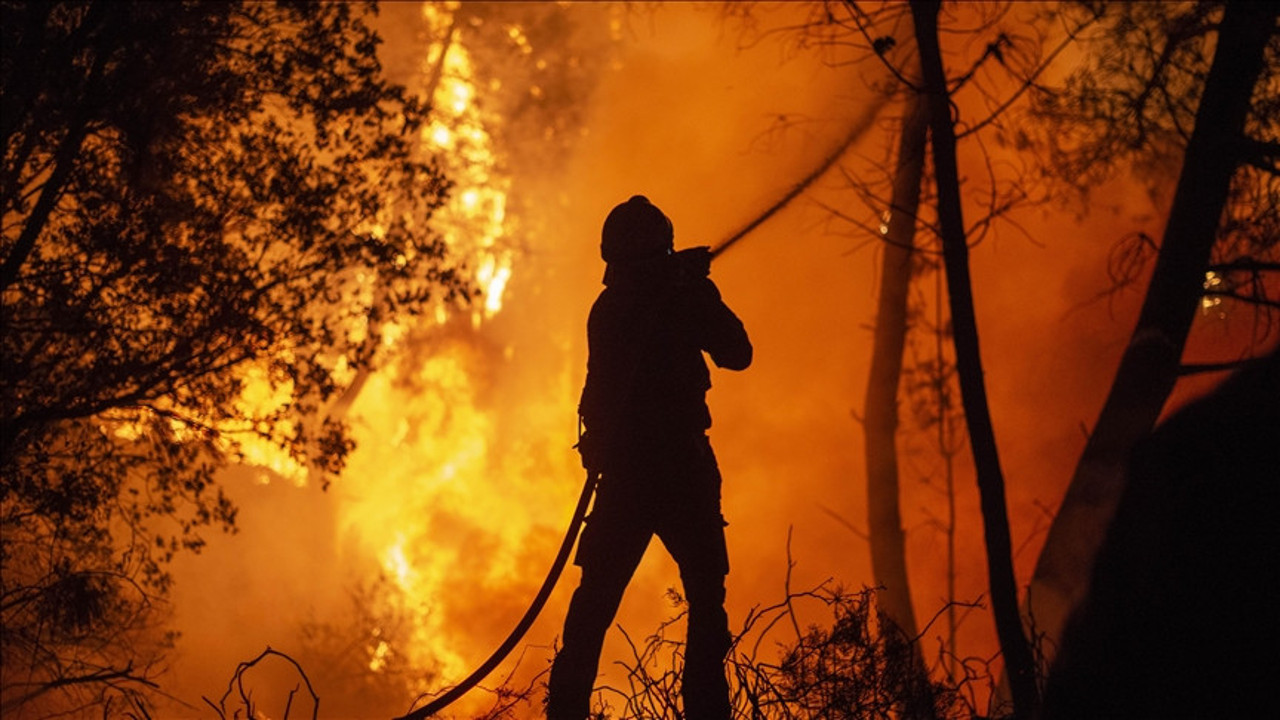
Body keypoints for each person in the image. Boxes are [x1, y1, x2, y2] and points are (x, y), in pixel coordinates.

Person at [546, 195, 752, 719]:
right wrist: (696, 290)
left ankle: (565, 712)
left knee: (593, 607)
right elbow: (737, 352)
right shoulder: (670, 300)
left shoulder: (610, 307)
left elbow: (735, 354)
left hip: (628, 478)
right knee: (706, 604)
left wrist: (689, 287)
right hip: (679, 470)